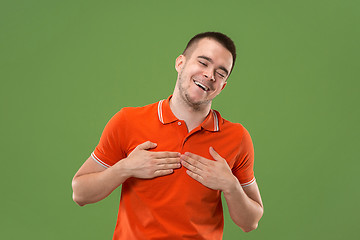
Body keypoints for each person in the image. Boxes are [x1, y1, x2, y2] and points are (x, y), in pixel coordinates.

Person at [72, 32, 264, 239]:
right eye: (203, 62)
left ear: (223, 86)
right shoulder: (127, 121)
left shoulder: (237, 137)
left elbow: (250, 222)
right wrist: (126, 168)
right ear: (180, 63)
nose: (210, 75)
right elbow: (80, 193)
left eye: (221, 73)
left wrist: (230, 185)